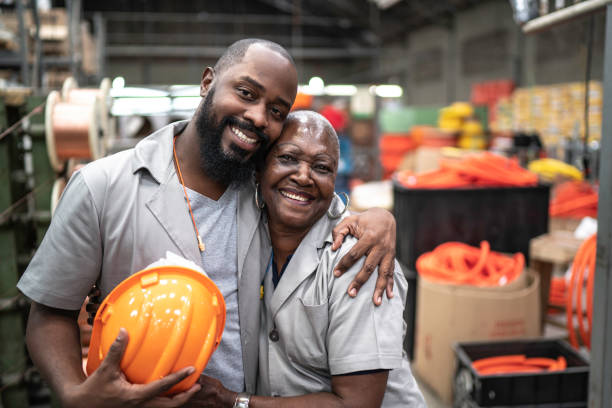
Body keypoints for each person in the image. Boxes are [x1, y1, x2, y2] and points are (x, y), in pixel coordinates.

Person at [17, 39, 398, 408]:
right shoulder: (103, 188)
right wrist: (72, 392)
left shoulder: (263, 185)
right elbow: (51, 311)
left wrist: (380, 219)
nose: (258, 116)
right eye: (247, 93)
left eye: (277, 111)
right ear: (207, 82)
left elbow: (320, 204)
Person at [190, 111, 425, 407]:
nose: (303, 176)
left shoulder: (357, 257)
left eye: (321, 167)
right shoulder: (246, 236)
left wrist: (233, 401)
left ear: (334, 179)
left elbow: (356, 404)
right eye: (288, 158)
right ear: (259, 170)